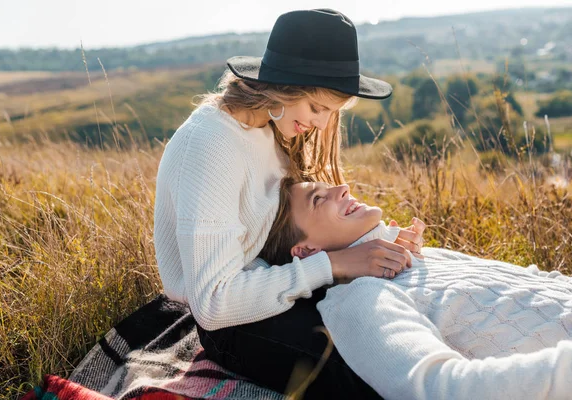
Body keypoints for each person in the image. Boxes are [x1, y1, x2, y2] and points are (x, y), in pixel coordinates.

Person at [153, 8, 426, 399]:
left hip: (277, 284)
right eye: (318, 109)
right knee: (371, 371)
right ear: (283, 87)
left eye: (332, 113)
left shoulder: (269, 126)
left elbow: (301, 227)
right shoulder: (211, 144)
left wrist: (385, 242)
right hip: (232, 323)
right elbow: (213, 304)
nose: (320, 124)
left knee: (394, 329)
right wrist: (335, 264)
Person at [258, 176, 572, 399]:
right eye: (319, 199)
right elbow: (441, 389)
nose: (342, 187)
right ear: (306, 251)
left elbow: (540, 285)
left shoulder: (420, 254)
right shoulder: (361, 299)